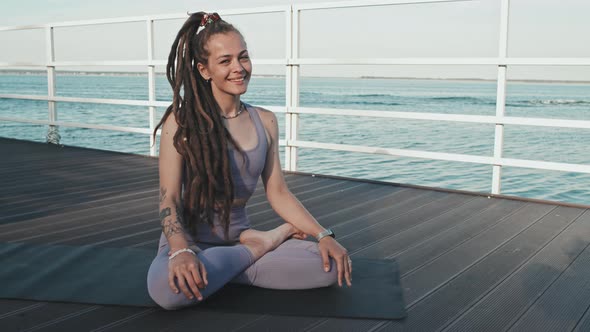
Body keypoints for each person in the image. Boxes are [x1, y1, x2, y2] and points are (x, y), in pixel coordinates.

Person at [147, 12, 352, 310]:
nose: (238, 68)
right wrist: (179, 250)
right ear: (204, 70)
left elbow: (277, 192)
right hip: (189, 240)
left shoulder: (265, 121)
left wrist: (323, 235)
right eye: (225, 61)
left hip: (238, 239)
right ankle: (264, 245)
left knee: (329, 267)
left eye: (243, 57)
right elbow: (169, 200)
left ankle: (231, 263)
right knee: (167, 292)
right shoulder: (180, 122)